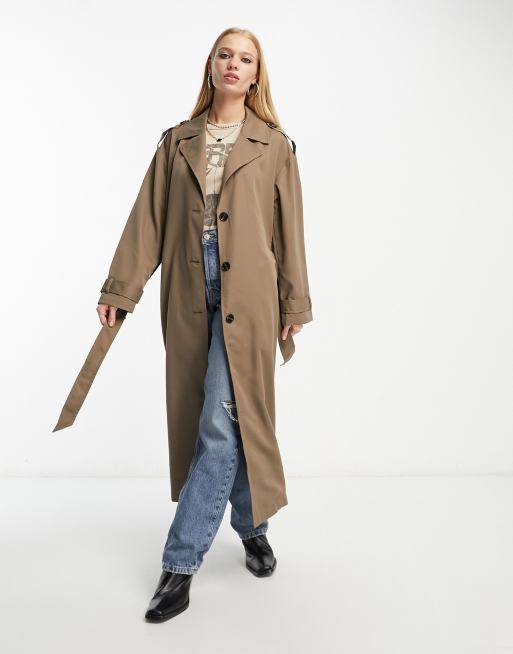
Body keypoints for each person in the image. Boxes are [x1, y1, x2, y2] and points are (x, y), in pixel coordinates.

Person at [94, 27, 313, 623]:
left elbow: (289, 230)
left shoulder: (275, 145)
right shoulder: (176, 142)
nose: (234, 65)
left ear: (257, 74)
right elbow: (147, 220)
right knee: (219, 414)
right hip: (190, 290)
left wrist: (294, 303)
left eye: (246, 58)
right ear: (211, 65)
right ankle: (253, 527)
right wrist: (121, 289)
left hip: (253, 295)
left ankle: (180, 563)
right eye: (225, 55)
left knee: (220, 422)